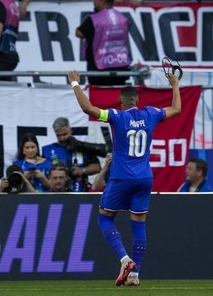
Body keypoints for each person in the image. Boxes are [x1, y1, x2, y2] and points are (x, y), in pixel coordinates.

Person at [67, 68, 181, 287]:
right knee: (139, 226)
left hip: (121, 177)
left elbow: (87, 108)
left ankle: (125, 259)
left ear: (120, 102)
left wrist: (74, 84)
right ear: (137, 100)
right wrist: (174, 84)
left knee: (104, 218)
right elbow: (176, 109)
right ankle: (134, 276)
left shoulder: (116, 116)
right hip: (144, 178)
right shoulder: (150, 113)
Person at [76, 0, 132, 86]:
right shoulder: (123, 18)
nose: (94, 1)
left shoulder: (94, 19)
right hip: (120, 64)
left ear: (103, 1)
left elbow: (79, 33)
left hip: (99, 66)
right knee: (119, 95)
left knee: (99, 96)